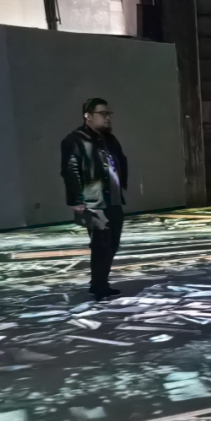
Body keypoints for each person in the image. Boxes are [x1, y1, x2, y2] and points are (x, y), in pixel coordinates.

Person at [61, 98, 129, 299]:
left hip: (113, 200)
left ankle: (100, 282)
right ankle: (99, 285)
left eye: (109, 114)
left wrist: (121, 186)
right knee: (101, 244)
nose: (107, 118)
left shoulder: (110, 139)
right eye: (103, 114)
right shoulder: (75, 140)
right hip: (94, 201)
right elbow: (70, 169)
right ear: (88, 116)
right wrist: (76, 200)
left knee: (112, 243)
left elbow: (120, 161)